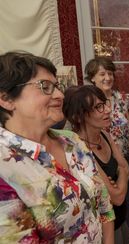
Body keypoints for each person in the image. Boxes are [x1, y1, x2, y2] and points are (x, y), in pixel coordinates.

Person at [0, 51, 115, 243]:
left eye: (57, 86)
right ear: (6, 99)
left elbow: (103, 202)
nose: (60, 95)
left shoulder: (72, 141)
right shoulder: (5, 167)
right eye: (45, 87)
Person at [63, 85, 129, 243]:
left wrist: (116, 181)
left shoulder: (105, 135)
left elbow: (126, 169)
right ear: (79, 116)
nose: (107, 110)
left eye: (105, 103)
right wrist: (117, 180)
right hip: (102, 230)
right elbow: (118, 197)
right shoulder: (79, 149)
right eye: (98, 107)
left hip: (120, 220)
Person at [85, 57, 129, 240]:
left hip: (126, 152)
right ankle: (108, 233)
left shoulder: (120, 97)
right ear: (92, 78)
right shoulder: (88, 100)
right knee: (107, 196)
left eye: (110, 73)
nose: (107, 77)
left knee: (128, 193)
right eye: (102, 74)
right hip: (102, 158)